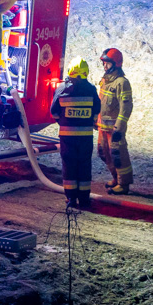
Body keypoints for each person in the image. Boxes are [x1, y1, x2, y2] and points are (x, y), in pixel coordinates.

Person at [51, 57, 101, 208]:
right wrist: (90, 122)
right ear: (86, 72)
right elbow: (96, 109)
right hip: (85, 137)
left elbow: (54, 112)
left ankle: (71, 199)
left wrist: (63, 123)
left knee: (69, 166)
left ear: (70, 71)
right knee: (84, 166)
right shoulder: (91, 89)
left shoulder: (61, 89)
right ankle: (84, 199)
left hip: (67, 138)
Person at [97, 48, 133, 195]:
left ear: (116, 64)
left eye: (108, 63)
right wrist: (95, 120)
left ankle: (123, 184)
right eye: (104, 63)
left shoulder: (122, 83)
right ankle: (115, 178)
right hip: (102, 127)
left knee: (118, 155)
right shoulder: (105, 81)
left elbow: (126, 107)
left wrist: (119, 127)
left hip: (114, 129)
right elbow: (101, 102)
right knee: (103, 153)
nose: (105, 66)